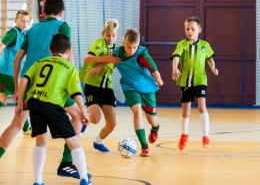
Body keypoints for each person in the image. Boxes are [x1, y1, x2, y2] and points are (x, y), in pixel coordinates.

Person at [0, 0, 89, 181]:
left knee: (16, 125)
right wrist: (74, 84)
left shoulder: (32, 29)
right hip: (52, 84)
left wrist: (18, 88)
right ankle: (66, 163)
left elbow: (17, 59)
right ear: (61, 12)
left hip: (30, 84)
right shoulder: (63, 27)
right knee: (78, 116)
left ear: (43, 11)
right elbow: (67, 55)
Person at [15, 33, 95, 185]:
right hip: (52, 105)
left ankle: (37, 183)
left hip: (34, 103)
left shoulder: (39, 62)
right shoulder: (69, 67)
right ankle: (85, 180)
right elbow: (76, 93)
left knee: (40, 141)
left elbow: (24, 80)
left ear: (50, 49)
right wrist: (83, 112)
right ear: (68, 51)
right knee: (73, 142)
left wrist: (19, 104)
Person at [113, 28, 163, 157]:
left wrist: (158, 78)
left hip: (147, 88)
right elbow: (108, 61)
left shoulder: (141, 54)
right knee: (137, 112)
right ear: (123, 42)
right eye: (128, 47)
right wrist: (98, 68)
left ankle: (155, 128)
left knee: (152, 119)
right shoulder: (117, 53)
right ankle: (144, 146)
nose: (131, 50)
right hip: (129, 87)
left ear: (138, 44)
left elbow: (153, 68)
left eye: (134, 47)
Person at [171, 16, 219, 150]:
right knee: (186, 111)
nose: (190, 31)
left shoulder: (205, 45)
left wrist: (212, 67)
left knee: (201, 106)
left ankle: (206, 136)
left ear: (199, 30)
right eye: (187, 29)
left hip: (200, 80)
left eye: (193, 29)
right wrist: (175, 68)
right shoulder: (182, 44)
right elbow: (176, 57)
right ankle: (184, 134)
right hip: (185, 81)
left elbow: (210, 59)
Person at [79, 18, 121, 153]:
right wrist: (103, 61)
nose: (111, 38)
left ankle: (98, 142)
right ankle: (84, 116)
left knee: (112, 123)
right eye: (108, 35)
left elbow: (111, 59)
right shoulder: (99, 43)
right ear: (103, 33)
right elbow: (87, 58)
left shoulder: (117, 49)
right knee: (96, 120)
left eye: (113, 35)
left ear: (117, 35)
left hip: (107, 87)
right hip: (92, 85)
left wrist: (101, 65)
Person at [0, 10, 32, 135]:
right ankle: (26, 127)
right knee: (21, 96)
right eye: (22, 21)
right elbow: (2, 45)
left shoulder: (23, 34)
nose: (24, 23)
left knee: (2, 97)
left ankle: (26, 127)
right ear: (15, 21)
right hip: (8, 72)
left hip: (4, 71)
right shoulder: (13, 33)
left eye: (26, 21)